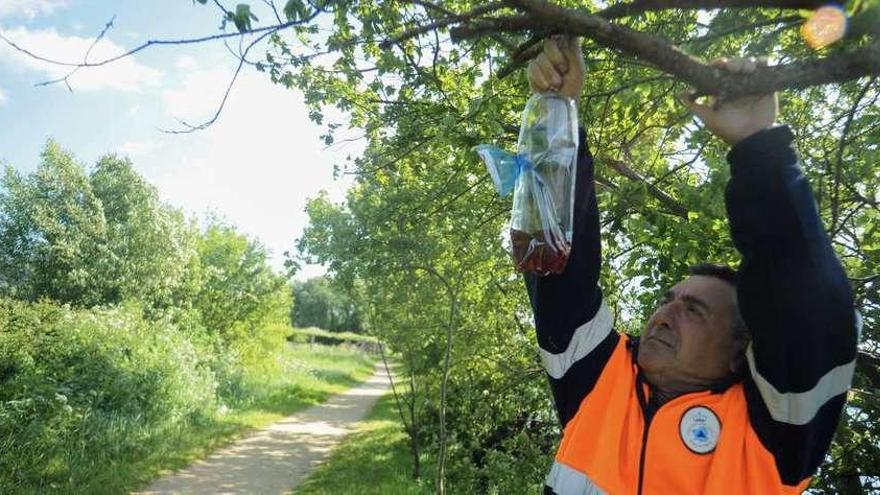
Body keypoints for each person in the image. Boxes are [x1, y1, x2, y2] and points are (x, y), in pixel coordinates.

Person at [524, 37, 859, 495]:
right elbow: (556, 256)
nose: (665, 313)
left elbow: (807, 305)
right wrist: (559, 113)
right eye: (669, 299)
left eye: (695, 310)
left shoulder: (778, 435)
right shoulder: (598, 377)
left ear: (736, 356)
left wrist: (758, 148)